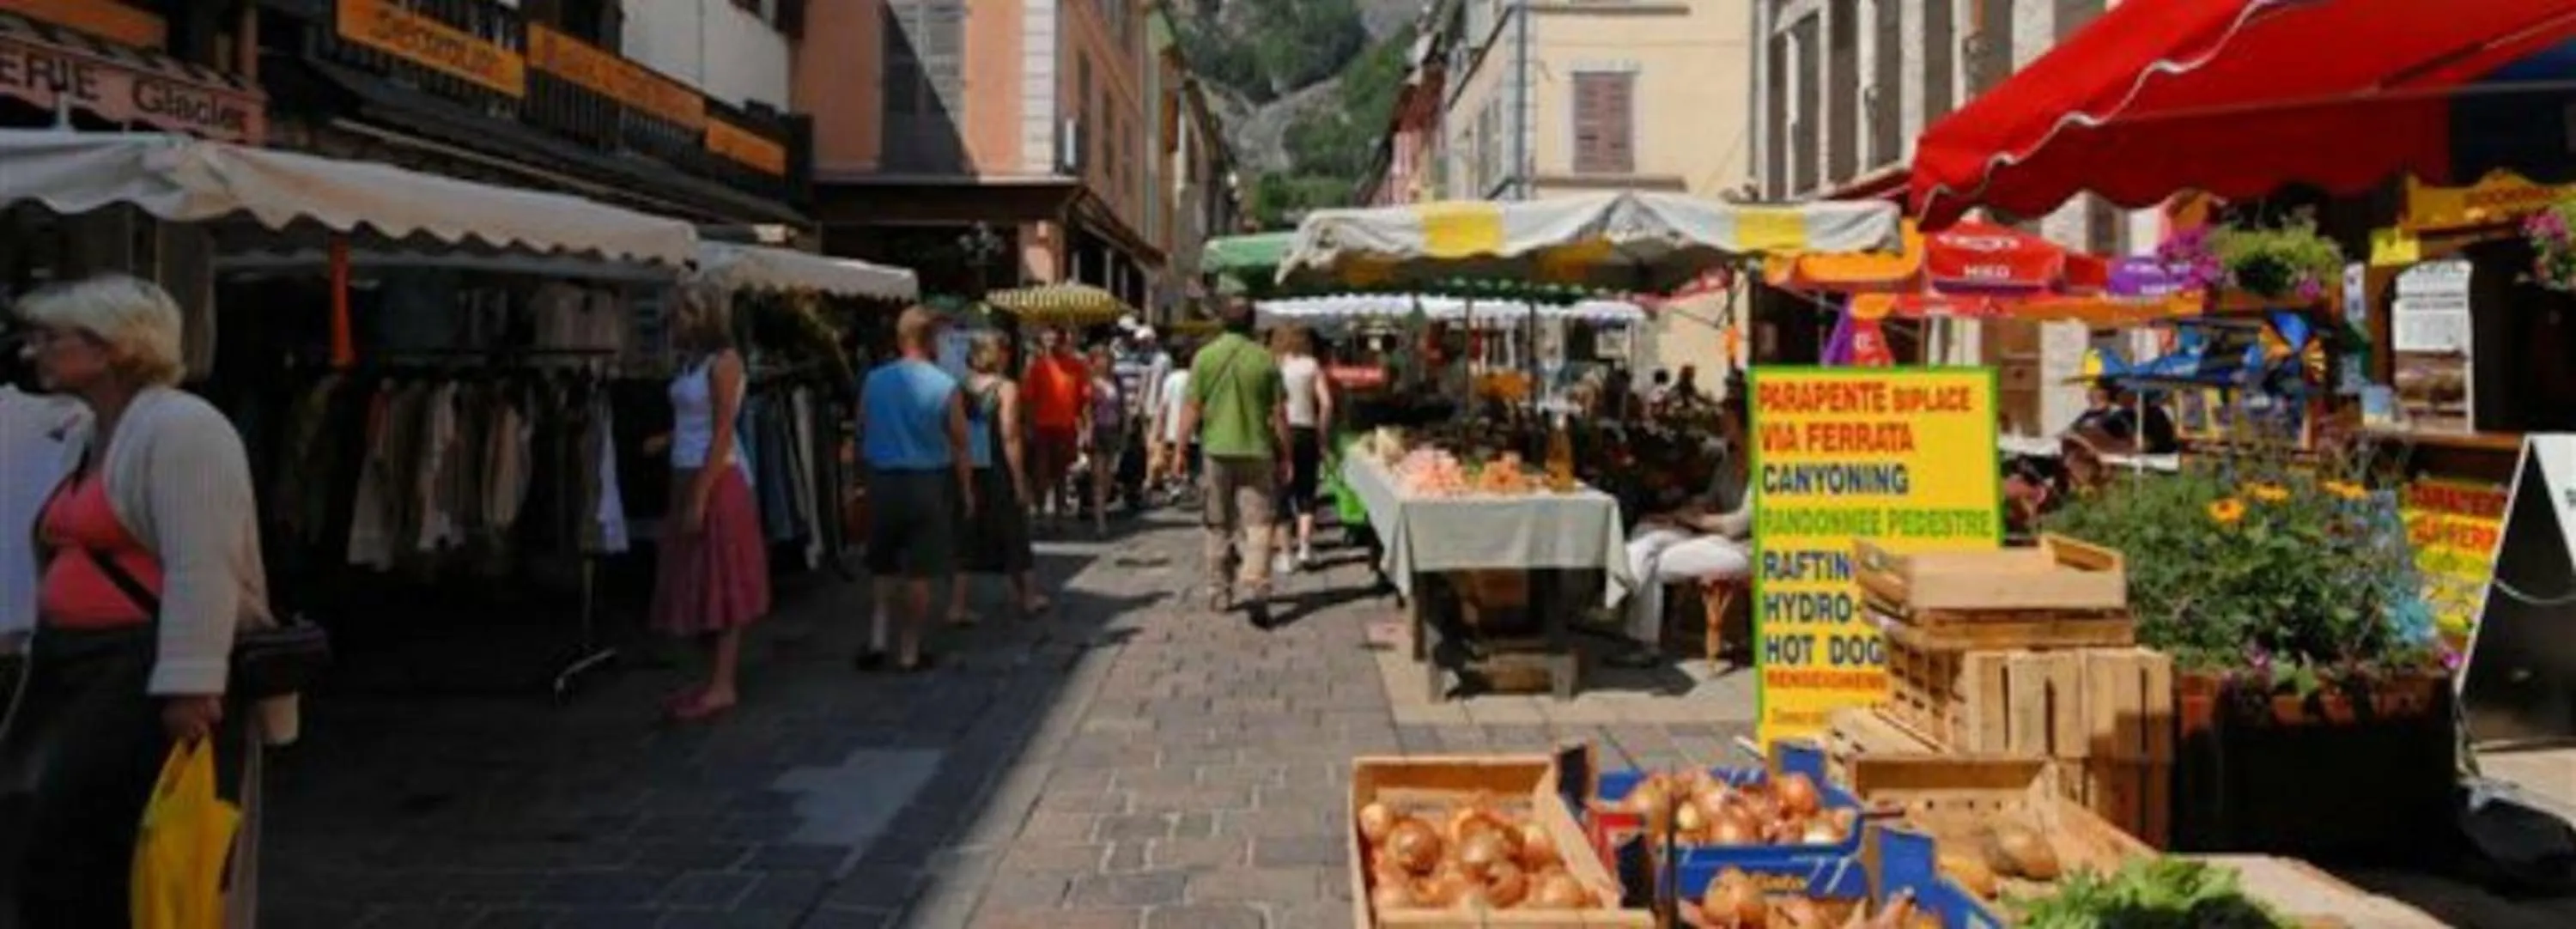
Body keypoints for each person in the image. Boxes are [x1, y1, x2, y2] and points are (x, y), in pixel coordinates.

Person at [0, 274, 274, 924]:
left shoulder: (184, 429)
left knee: (79, 831)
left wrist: (190, 685)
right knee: (53, 826)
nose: (32, 352)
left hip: (137, 665)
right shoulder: (89, 432)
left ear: (111, 347)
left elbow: (202, 563)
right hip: (75, 663)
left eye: (50, 338)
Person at [644, 283, 769, 722]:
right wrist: (670, 440)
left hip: (715, 477)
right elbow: (698, 423)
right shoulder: (692, 362)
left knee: (721, 578)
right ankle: (710, 678)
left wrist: (700, 494)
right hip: (686, 471)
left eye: (680, 316)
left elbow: (722, 432)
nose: (674, 325)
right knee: (694, 579)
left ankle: (723, 683)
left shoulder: (724, 362)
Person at [857, 307, 975, 672]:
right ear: (931, 341)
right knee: (920, 569)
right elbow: (959, 442)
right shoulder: (944, 386)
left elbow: (861, 427)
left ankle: (877, 636)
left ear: (900, 338)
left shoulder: (874, 380)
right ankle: (909, 648)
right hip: (927, 482)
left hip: (883, 479)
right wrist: (967, 490)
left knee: (883, 563)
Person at [1611, 391, 1753, 667]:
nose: (1721, 425)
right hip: (1713, 536)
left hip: (1743, 548)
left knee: (1652, 560)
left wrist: (1695, 521)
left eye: (1727, 420)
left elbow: (1740, 524)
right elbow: (1710, 501)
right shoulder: (1727, 462)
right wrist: (1676, 515)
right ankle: (1623, 592)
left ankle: (1637, 627)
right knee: (1647, 531)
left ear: (1745, 425)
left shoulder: (1763, 468)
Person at [1178, 299, 1288, 628]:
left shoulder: (1205, 357)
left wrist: (1179, 448)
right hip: (1257, 450)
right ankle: (1256, 585)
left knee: (1218, 522)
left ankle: (1219, 591)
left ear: (1221, 322)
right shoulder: (1265, 360)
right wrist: (1286, 453)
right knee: (1259, 524)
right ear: (1253, 323)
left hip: (1216, 451)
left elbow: (1192, 409)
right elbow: (1279, 415)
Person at [951, 332, 1048, 622]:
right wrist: (1020, 479)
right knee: (1015, 530)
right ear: (996, 354)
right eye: (1005, 349)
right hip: (997, 469)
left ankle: (957, 605)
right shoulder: (1006, 388)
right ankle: (1029, 597)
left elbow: (955, 434)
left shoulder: (959, 387)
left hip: (968, 468)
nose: (1008, 354)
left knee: (967, 535)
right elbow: (1010, 435)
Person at [1272, 325, 1333, 571]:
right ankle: (1306, 548)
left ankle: (1286, 555)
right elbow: (1327, 403)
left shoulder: (1275, 365)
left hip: (1281, 431)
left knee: (1282, 493)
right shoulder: (1312, 366)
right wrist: (1322, 434)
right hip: (1307, 431)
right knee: (1306, 490)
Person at [1020, 327, 1091, 530]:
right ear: (1042, 341)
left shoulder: (1076, 366)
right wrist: (1029, 425)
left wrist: (1086, 427)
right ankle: (1041, 511)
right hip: (1042, 426)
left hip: (1066, 426)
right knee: (1040, 473)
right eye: (1047, 338)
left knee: (1061, 473)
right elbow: (1028, 400)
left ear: (1062, 340)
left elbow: (1083, 399)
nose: (1051, 342)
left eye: (1055, 338)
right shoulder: (1036, 367)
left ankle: (1059, 514)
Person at [2069, 377, 2178, 455]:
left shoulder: (2152, 413)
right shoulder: (2120, 414)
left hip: (2156, 457)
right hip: (2117, 454)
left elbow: (2154, 442)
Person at [1083, 343, 1127, 536]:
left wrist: (1126, 427)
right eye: (1102, 358)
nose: (1106, 362)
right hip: (1098, 431)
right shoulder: (1090, 382)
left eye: (1108, 358)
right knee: (1098, 476)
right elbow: (1085, 409)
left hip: (1113, 429)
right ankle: (1101, 522)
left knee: (1110, 475)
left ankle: (1100, 508)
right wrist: (1086, 432)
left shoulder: (1116, 380)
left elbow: (1122, 406)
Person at [1148, 343, 1195, 502]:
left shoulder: (1171, 379)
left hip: (1172, 427)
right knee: (1188, 457)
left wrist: (1158, 427)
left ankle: (1174, 485)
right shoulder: (1193, 379)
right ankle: (1183, 483)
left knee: (1171, 457)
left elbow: (1163, 405)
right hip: (1191, 428)